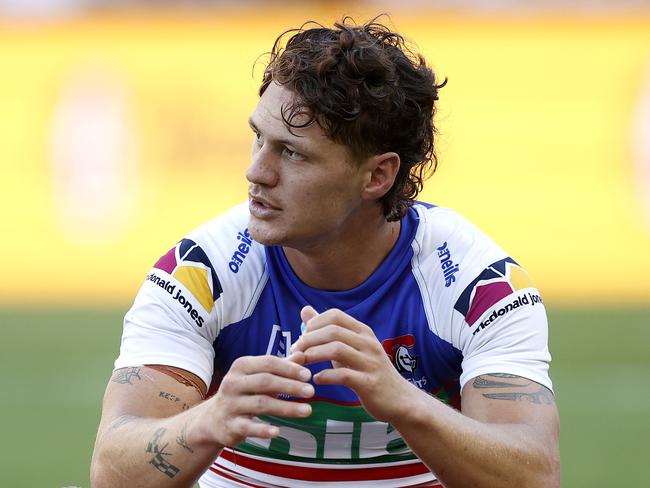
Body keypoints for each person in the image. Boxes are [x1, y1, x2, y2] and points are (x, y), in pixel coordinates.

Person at [91, 17, 560, 488]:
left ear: (377, 176)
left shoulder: (477, 285)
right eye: (259, 138)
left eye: (292, 153)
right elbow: (111, 472)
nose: (256, 172)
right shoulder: (200, 273)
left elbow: (536, 476)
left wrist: (401, 400)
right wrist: (206, 421)